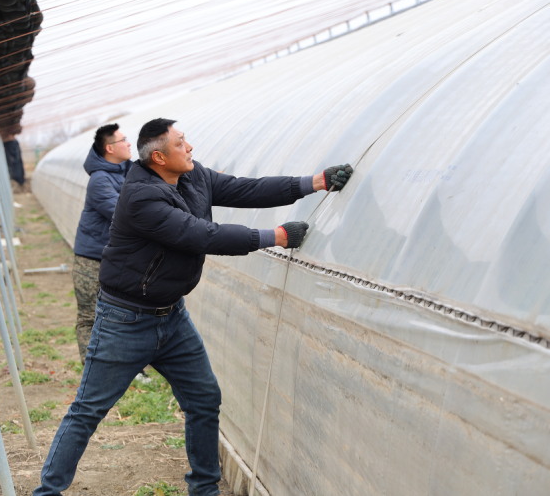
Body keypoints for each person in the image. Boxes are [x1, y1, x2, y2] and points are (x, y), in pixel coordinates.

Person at [34, 118, 353, 496]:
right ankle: (47, 492)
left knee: (203, 399)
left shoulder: (193, 176)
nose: (190, 148)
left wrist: (314, 182)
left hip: (172, 317)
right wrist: (276, 236)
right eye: (180, 143)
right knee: (88, 411)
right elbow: (200, 234)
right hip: (124, 320)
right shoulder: (141, 198)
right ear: (158, 157)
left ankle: (204, 488)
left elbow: (245, 188)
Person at [71, 123, 132, 364]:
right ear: (110, 148)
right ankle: (92, 370)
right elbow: (123, 214)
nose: (128, 143)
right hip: (92, 261)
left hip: (117, 259)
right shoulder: (100, 180)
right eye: (123, 140)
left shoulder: (129, 171)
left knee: (123, 316)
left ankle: (126, 367)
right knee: (90, 316)